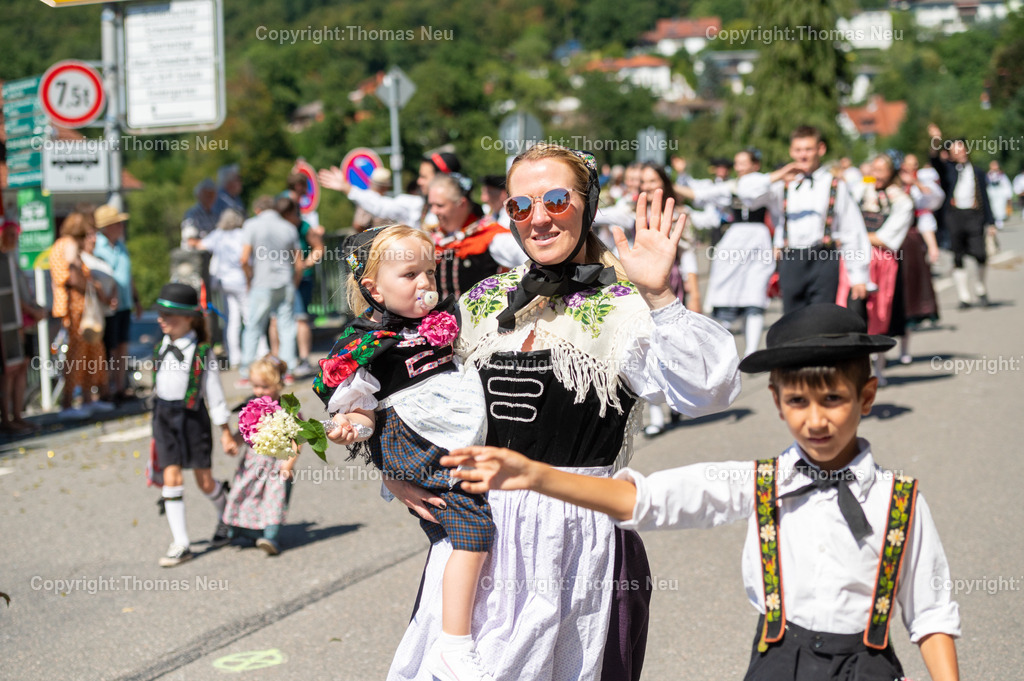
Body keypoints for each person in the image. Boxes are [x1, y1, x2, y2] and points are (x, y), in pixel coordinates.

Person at [445, 303, 961, 681]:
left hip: (870, 667)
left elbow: (931, 612)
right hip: (778, 664)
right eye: (799, 401)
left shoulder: (902, 500)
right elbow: (646, 500)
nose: (817, 418)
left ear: (866, 397)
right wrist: (536, 476)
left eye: (834, 399)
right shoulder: (760, 483)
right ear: (778, 402)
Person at [381, 143, 741, 681]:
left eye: (556, 199)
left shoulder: (621, 305)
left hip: (576, 540)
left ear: (588, 203)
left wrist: (660, 296)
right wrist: (397, 472)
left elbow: (708, 390)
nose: (540, 218)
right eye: (521, 206)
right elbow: (413, 394)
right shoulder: (483, 301)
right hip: (478, 541)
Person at [315, 224, 494, 681]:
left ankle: (454, 625)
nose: (425, 285)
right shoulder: (368, 342)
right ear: (373, 288)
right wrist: (348, 429)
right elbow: (363, 412)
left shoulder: (443, 319)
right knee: (474, 531)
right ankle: (454, 645)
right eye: (409, 275)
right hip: (414, 441)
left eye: (430, 274)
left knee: (462, 531)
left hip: (450, 436)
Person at [597, 162, 702, 437]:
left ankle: (677, 395)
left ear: (664, 182)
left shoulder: (680, 214)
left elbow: (689, 254)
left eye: (652, 180)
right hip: (635, 284)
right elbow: (598, 216)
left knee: (672, 345)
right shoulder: (629, 211)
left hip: (669, 282)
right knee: (646, 345)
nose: (646, 185)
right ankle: (655, 412)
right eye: (642, 181)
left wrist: (696, 292)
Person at [151, 282, 238, 566]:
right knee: (170, 477)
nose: (161, 320)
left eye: (169, 315)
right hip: (163, 418)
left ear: (190, 317)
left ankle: (226, 515)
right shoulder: (161, 346)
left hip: (192, 419)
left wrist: (225, 432)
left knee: (203, 481)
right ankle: (181, 543)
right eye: (160, 314)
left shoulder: (202, 353)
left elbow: (214, 396)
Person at [761, 126, 870, 315]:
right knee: (792, 322)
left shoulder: (834, 183)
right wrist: (778, 175)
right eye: (798, 150)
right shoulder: (781, 184)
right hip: (792, 258)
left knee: (822, 319)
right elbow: (745, 191)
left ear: (821, 149)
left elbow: (852, 230)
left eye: (808, 149)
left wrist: (859, 274)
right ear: (791, 151)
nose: (803, 155)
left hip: (824, 258)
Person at [682, 148, 775, 358]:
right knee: (726, 286)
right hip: (735, 239)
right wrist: (670, 185)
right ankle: (722, 343)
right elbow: (701, 194)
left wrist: (779, 241)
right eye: (737, 163)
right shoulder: (731, 186)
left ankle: (752, 350)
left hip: (758, 238)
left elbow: (773, 208)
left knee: (755, 292)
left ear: (755, 165)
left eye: (743, 162)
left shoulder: (767, 185)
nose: (739, 167)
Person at [839, 153, 913, 386]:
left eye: (882, 170)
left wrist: (857, 236)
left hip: (881, 261)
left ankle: (878, 368)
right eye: (874, 169)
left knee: (879, 314)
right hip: (854, 256)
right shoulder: (862, 190)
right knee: (850, 311)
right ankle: (851, 367)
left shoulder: (902, 200)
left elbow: (887, 238)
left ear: (891, 172)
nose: (876, 175)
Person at [221, 355, 298, 555]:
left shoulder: (287, 408)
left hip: (277, 465)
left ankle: (270, 536)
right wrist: (235, 443)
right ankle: (241, 529)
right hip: (253, 462)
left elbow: (296, 440)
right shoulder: (253, 407)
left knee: (274, 500)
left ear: (278, 384)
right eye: (255, 387)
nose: (258, 392)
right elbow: (245, 431)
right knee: (243, 493)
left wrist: (288, 465)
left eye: (264, 387)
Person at [49, 211, 116, 417]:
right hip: (75, 306)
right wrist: (92, 287)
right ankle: (68, 403)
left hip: (79, 306)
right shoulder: (68, 244)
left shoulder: (61, 244)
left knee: (89, 353)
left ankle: (87, 399)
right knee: (76, 355)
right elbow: (72, 271)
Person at [927, 124, 995, 309]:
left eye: (961, 147)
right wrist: (936, 139)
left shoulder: (978, 171)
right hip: (954, 216)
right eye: (955, 149)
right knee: (958, 257)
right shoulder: (948, 170)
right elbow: (934, 159)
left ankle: (980, 288)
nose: (960, 151)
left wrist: (990, 221)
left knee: (980, 254)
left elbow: (985, 197)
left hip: (974, 215)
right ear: (949, 153)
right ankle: (964, 296)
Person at [427, 173, 524, 300]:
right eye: (431, 205)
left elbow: (531, 264)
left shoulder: (491, 236)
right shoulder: (434, 238)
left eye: (440, 205)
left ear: (461, 204)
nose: (433, 211)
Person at [238, 195, 302, 386]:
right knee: (287, 327)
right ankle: (287, 370)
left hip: (262, 281)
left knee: (254, 327)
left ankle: (246, 372)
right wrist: (294, 283)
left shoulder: (251, 225)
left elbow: (244, 259)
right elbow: (299, 263)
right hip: (285, 281)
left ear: (258, 210)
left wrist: (249, 278)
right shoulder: (289, 227)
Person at [319, 151, 463, 230]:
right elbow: (380, 205)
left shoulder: (468, 213)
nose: (419, 181)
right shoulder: (416, 205)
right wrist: (347, 188)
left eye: (424, 177)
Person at [93, 204, 142, 402]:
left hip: (124, 304)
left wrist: (136, 299)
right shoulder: (98, 248)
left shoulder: (121, 246)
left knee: (122, 347)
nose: (122, 226)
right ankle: (106, 389)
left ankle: (120, 387)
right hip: (108, 307)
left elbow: (127, 276)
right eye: (117, 223)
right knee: (109, 349)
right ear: (107, 226)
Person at [897, 155, 942, 328]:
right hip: (895, 236)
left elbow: (932, 203)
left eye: (913, 165)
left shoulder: (921, 183)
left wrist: (932, 246)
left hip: (913, 236)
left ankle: (920, 312)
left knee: (917, 275)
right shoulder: (894, 184)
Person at [200, 209, 248, 369]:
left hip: (224, 282)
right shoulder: (242, 234)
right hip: (241, 280)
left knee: (232, 320)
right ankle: (254, 353)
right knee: (249, 318)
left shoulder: (218, 234)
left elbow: (201, 245)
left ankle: (234, 357)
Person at [352, 167, 395, 232]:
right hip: (378, 239)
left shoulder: (366, 199)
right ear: (386, 187)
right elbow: (358, 225)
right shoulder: (370, 200)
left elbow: (358, 225)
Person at [181, 179, 218, 249]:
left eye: (212, 195)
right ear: (199, 196)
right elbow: (190, 241)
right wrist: (208, 244)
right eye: (207, 195)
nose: (210, 198)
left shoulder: (215, 214)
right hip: (194, 255)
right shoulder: (192, 214)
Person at [985, 160, 1013, 231]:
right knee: (992, 208)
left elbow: (1006, 185)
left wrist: (1008, 195)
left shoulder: (1001, 175)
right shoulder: (988, 174)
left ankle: (999, 222)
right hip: (992, 193)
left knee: (1000, 208)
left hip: (1000, 194)